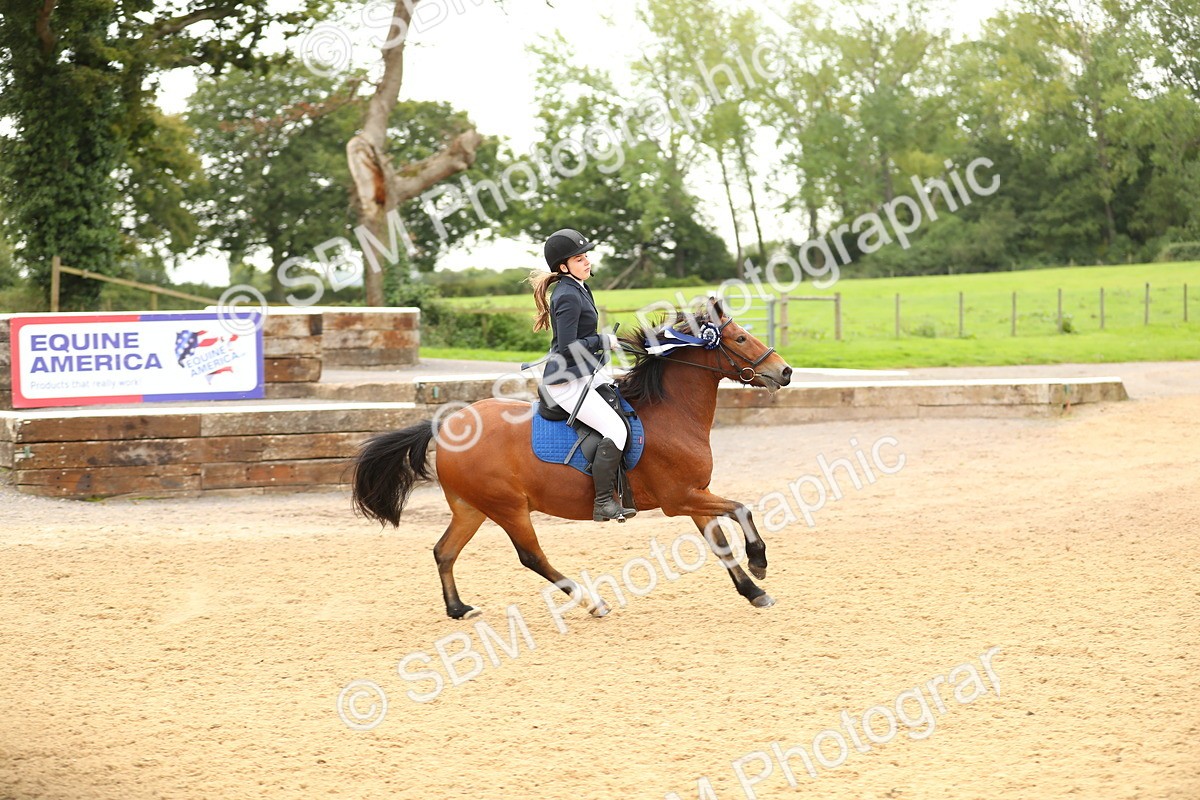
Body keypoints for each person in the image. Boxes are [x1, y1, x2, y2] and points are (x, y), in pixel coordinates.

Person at [529, 228, 636, 522]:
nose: (587, 261)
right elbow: (567, 348)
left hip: (586, 370)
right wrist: (602, 340)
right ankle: (603, 502)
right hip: (567, 380)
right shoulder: (567, 295)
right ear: (563, 267)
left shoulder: (580, 287)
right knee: (616, 430)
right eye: (579, 258)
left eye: (586, 255)